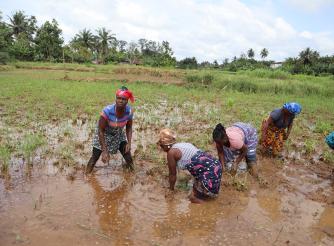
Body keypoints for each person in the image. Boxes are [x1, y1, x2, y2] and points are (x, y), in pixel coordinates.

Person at [157, 129, 222, 203]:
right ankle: (207, 195)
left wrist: (171, 189)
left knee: (192, 198)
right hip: (216, 166)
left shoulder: (171, 153)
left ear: (166, 145)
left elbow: (172, 174)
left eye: (161, 145)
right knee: (201, 191)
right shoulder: (182, 145)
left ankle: (210, 207)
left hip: (210, 172)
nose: (161, 148)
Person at [86, 86, 134, 173]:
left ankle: (132, 174)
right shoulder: (107, 111)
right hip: (103, 134)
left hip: (118, 134)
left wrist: (129, 143)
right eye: (118, 98)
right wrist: (104, 150)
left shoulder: (129, 111)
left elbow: (129, 127)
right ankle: (87, 175)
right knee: (94, 158)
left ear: (127, 100)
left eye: (123, 99)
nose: (120, 101)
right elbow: (100, 130)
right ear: (115, 99)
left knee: (128, 156)